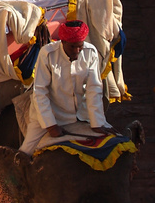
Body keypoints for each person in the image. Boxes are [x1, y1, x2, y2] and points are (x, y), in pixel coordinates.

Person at [19, 19, 115, 155]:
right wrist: (50, 125)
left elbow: (94, 89)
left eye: (80, 46)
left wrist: (97, 122)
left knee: (115, 141)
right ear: (62, 42)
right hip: (52, 114)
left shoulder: (90, 52)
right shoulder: (47, 54)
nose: (77, 51)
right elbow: (40, 92)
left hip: (82, 113)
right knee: (26, 151)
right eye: (72, 47)